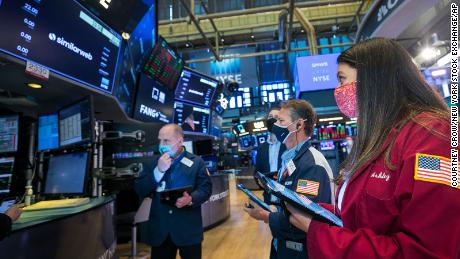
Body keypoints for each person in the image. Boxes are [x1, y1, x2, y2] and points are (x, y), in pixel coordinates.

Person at [286, 37, 460, 258]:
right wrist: (318, 213)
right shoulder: (380, 137)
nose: (337, 90)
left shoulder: (433, 139)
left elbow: (425, 251)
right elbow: (366, 216)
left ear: (373, 80)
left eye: (342, 80)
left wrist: (319, 233)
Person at [244, 99, 335, 259]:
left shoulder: (311, 164)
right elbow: (291, 205)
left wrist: (265, 216)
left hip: (304, 251)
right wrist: (271, 209)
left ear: (299, 125)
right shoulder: (291, 159)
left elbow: (305, 222)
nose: (275, 125)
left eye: (280, 120)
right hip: (285, 246)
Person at [134, 124, 212, 259]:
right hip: (160, 231)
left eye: (166, 141)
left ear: (180, 141)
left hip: (188, 230)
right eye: (160, 140)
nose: (161, 144)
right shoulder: (152, 163)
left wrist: (191, 199)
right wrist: (158, 171)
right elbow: (141, 189)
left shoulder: (196, 162)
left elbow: (205, 189)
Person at [254, 107, 286, 259]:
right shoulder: (261, 148)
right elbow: (257, 172)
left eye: (276, 117)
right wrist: (259, 181)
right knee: (276, 234)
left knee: (285, 234)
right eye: (270, 116)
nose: (272, 119)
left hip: (286, 199)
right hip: (269, 199)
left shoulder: (288, 145)